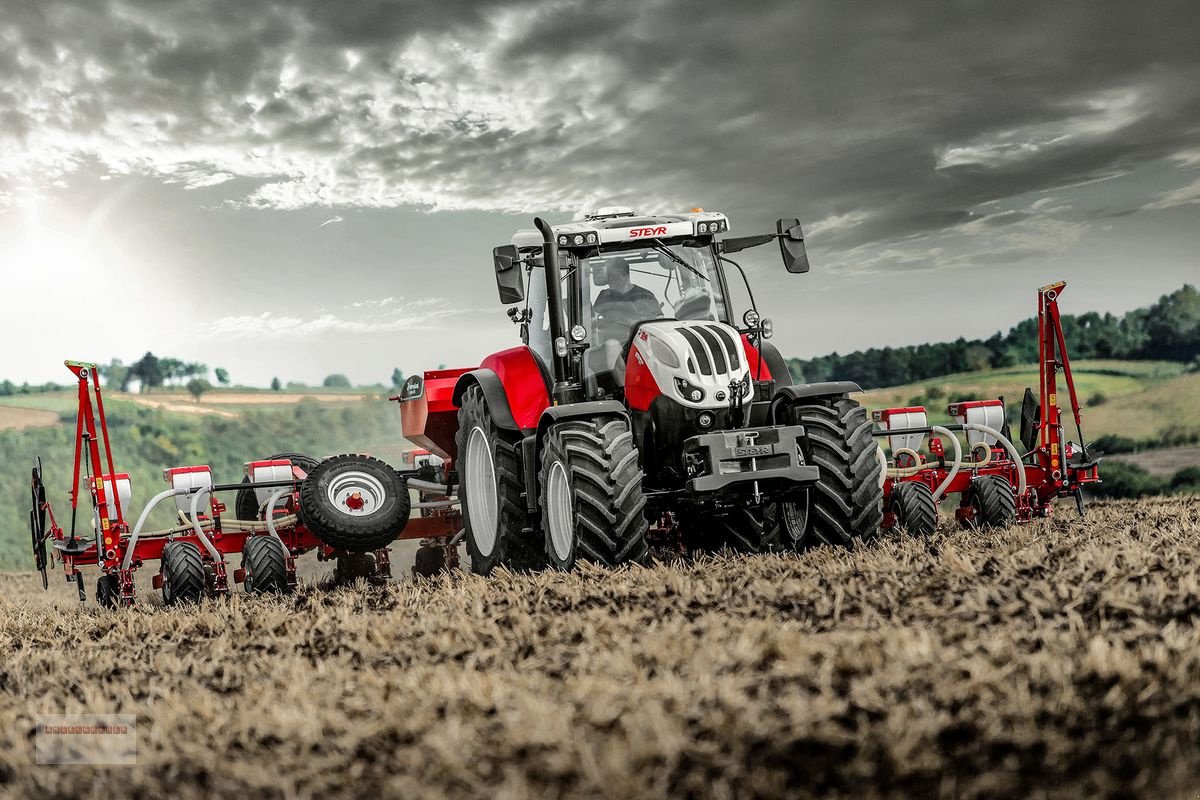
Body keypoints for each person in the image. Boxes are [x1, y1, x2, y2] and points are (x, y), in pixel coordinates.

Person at [593, 256, 663, 343]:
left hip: (639, 344)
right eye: (608, 276)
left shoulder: (644, 296)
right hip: (610, 346)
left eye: (612, 276)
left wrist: (627, 321)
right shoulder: (604, 296)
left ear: (623, 275)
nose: (609, 280)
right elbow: (593, 320)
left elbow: (658, 324)